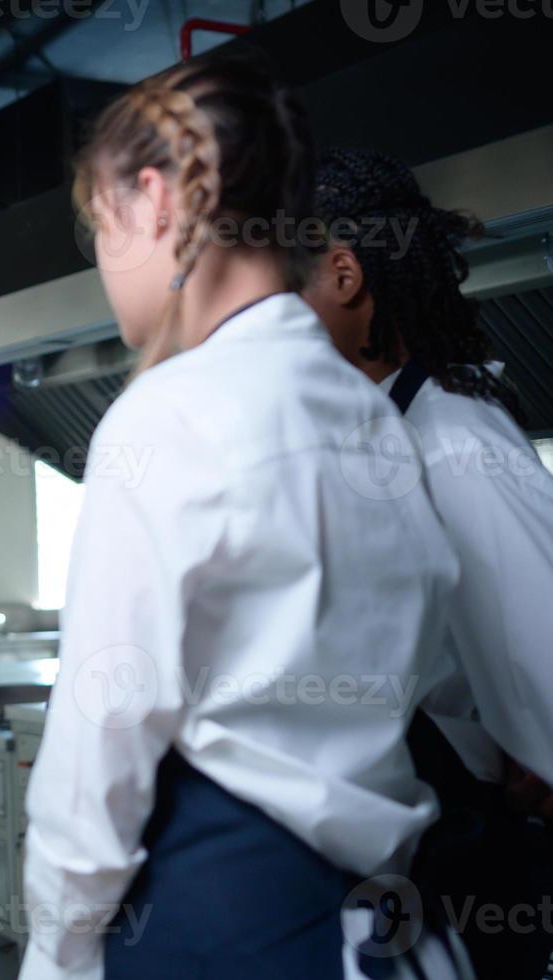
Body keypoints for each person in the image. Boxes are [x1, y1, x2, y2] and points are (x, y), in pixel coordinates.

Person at [18, 59, 465, 979]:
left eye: (99, 228)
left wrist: (55, 954)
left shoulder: (167, 413)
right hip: (375, 928)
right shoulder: (370, 414)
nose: (105, 265)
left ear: (152, 200)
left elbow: (99, 748)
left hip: (215, 925)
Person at [302, 146, 553, 978]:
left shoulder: (453, 443)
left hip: (472, 875)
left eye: (275, 289)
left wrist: (524, 756)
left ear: (343, 276)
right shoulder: (385, 436)